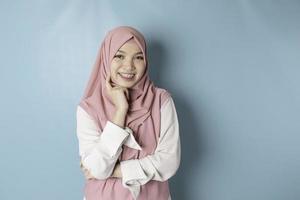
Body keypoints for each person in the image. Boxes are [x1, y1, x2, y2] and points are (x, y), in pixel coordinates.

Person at [76, 26, 181, 200]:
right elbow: (98, 169)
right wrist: (120, 111)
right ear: (107, 57)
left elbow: (169, 162)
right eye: (119, 56)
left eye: (138, 57)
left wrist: (117, 171)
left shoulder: (162, 101)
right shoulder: (88, 109)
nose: (129, 66)